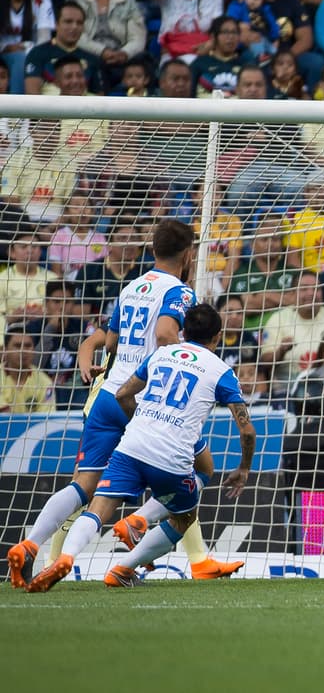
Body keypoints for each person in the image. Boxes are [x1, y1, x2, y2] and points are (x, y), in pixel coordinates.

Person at [6, 221, 242, 590]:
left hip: (108, 395)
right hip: (146, 398)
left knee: (84, 486)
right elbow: (166, 334)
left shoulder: (133, 286)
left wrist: (98, 351)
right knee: (202, 469)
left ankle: (29, 543)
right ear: (189, 253)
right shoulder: (179, 292)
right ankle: (143, 532)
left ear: (151, 250)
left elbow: (112, 341)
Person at [23, 303, 255, 591]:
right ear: (218, 337)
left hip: (131, 446)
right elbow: (246, 430)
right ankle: (125, 562)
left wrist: (142, 423)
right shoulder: (221, 371)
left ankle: (65, 557)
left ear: (183, 331)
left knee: (97, 507)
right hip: (171, 456)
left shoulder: (161, 354)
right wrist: (244, 468)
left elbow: (122, 393)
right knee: (185, 516)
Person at [68, 0, 146, 84]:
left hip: (121, 56)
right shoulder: (76, 0)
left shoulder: (127, 1)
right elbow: (75, 36)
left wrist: (124, 53)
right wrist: (102, 51)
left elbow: (138, 37)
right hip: (89, 54)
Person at [22, 1, 104, 95]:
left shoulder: (92, 59)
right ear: (56, 24)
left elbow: (100, 98)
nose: (74, 27)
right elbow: (32, 94)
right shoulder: (37, 53)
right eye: (68, 22)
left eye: (79, 23)